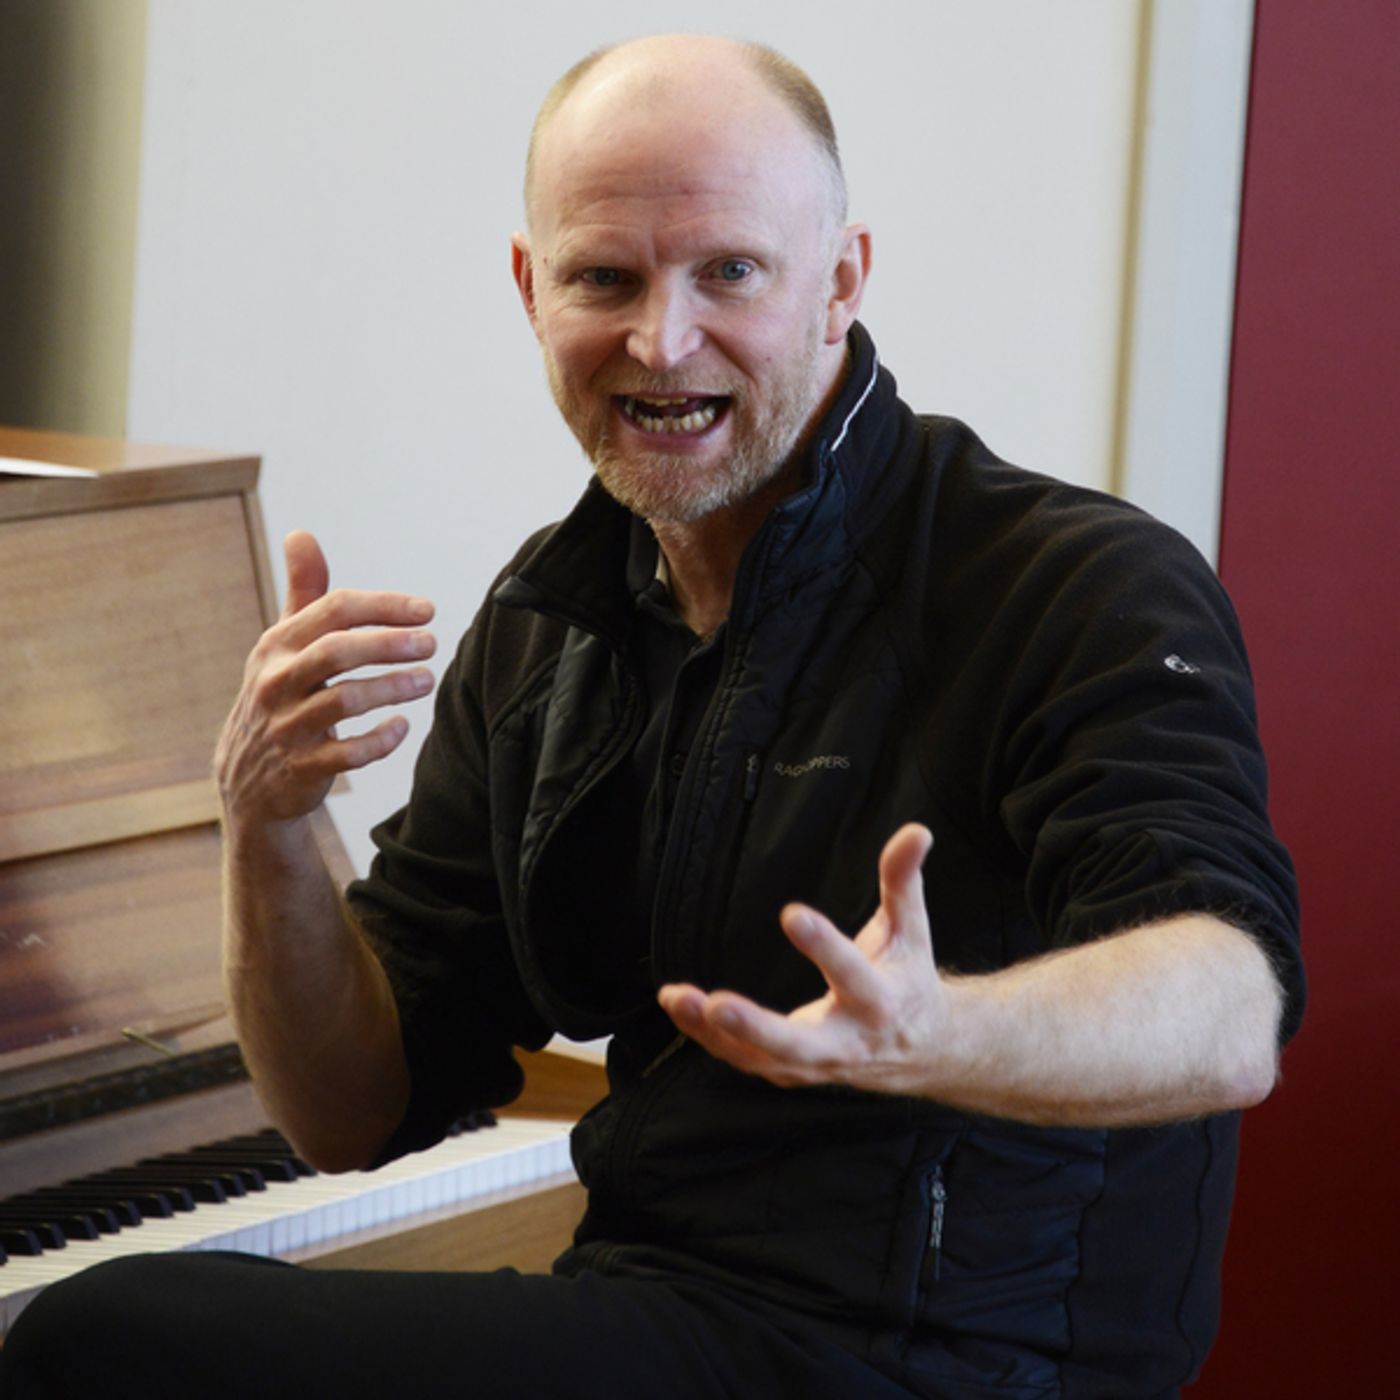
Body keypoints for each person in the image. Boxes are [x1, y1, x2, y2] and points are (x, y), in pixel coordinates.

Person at [0, 33, 1302, 1400]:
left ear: (840, 283)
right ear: (531, 289)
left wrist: (943, 1035)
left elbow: (1227, 1004)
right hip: (659, 1305)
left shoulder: (1073, 582)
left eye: (728, 272)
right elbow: (349, 1111)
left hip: (961, 1362)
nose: (660, 340)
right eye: (604, 278)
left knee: (107, 1347)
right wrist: (266, 828)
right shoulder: (554, 621)